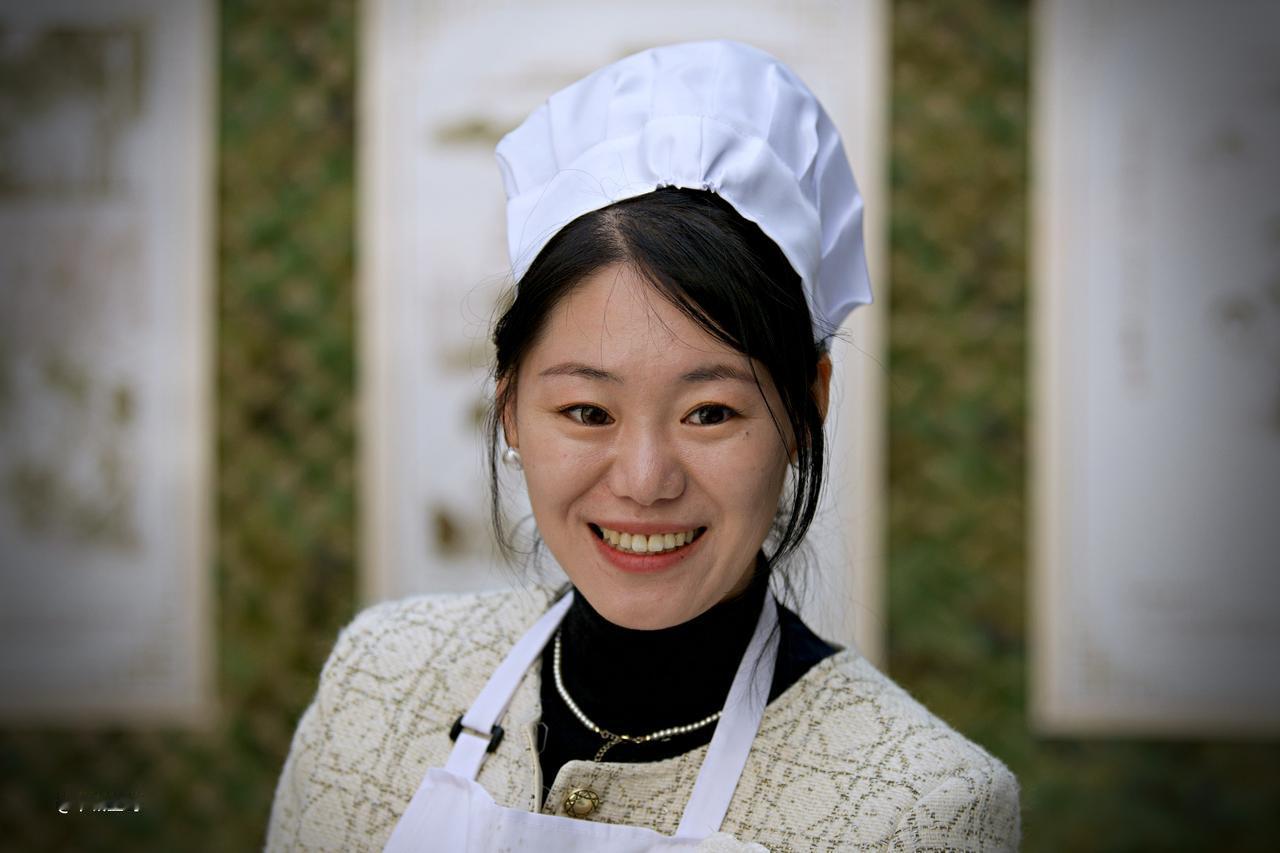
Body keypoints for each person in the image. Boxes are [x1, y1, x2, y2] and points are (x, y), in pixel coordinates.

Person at [266, 40, 1020, 851]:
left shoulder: (922, 806)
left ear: (808, 410)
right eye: (588, 411)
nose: (644, 479)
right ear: (510, 407)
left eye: (709, 413)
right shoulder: (379, 681)